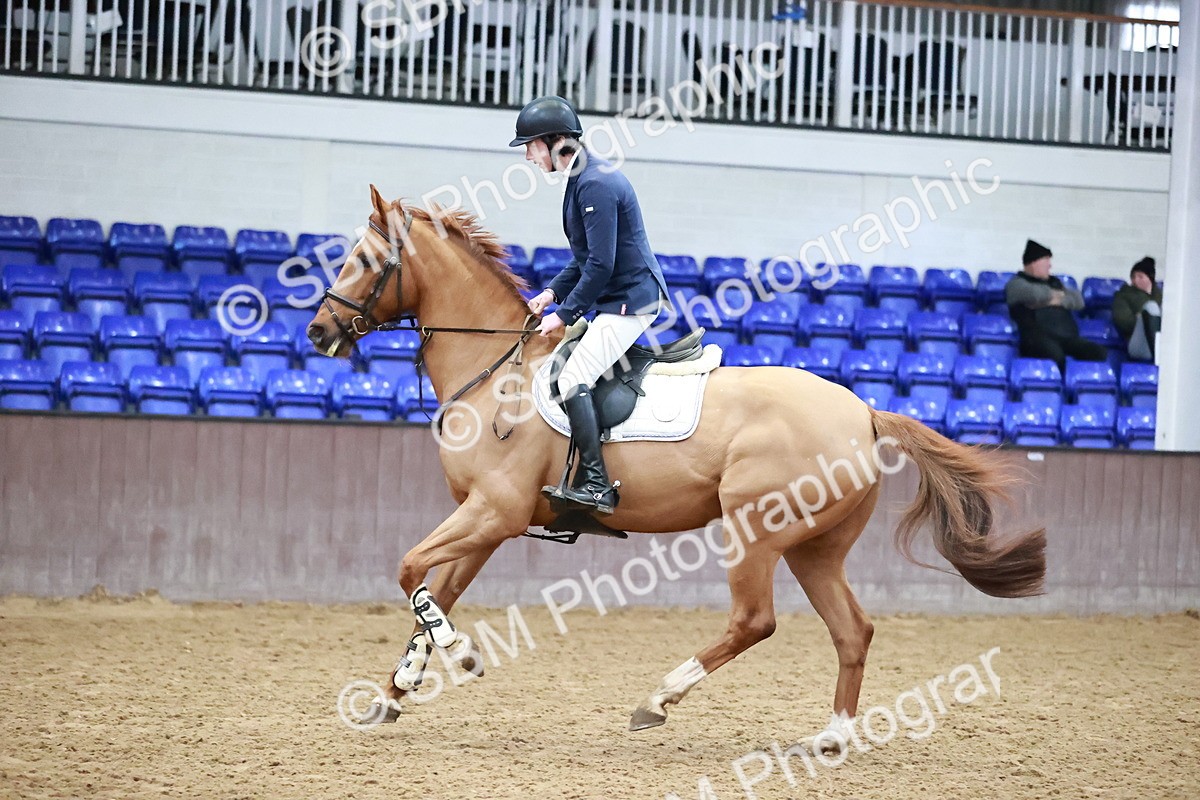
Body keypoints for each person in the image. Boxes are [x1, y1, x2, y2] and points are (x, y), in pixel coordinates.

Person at [512, 95, 671, 516]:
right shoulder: (583, 177)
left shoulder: (595, 183)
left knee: (572, 378)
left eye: (530, 145)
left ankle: (598, 484)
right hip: (614, 298)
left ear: (553, 141)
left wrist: (563, 316)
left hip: (631, 302)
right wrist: (552, 294)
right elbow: (586, 257)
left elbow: (600, 265)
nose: (528, 156)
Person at [1005, 239, 1108, 372]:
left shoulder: (1055, 282)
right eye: (1046, 261)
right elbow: (1037, 294)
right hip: (1036, 338)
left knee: (1098, 353)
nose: (1050, 266)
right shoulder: (1016, 284)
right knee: (1055, 356)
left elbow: (1078, 300)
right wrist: (1058, 296)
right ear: (1033, 263)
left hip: (1066, 337)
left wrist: (1049, 301)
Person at [1111, 256, 1162, 361]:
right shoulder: (1123, 295)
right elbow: (1124, 322)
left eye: (1140, 276)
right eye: (1133, 277)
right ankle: (1158, 351)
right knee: (1151, 307)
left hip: (1162, 341)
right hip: (1138, 342)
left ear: (1150, 278)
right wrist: (1142, 318)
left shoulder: (1161, 295)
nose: (1135, 280)